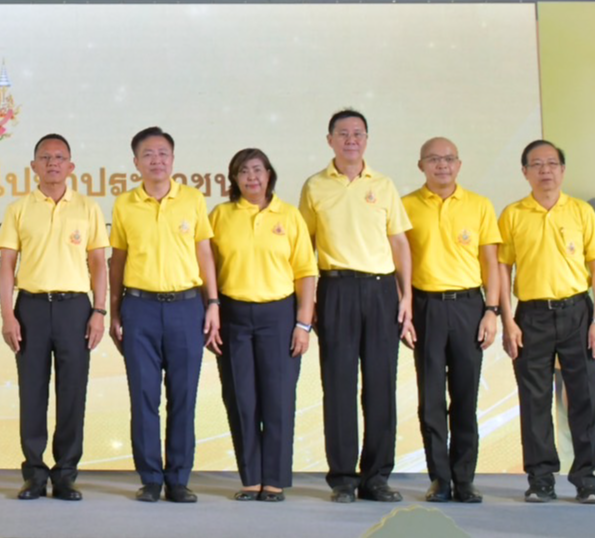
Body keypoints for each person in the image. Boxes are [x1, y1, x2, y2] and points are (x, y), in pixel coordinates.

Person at [297, 109, 413, 504]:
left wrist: (406, 295)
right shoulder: (314, 186)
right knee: (339, 385)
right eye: (343, 133)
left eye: (358, 133)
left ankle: (376, 477)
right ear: (329, 140)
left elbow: (399, 243)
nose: (351, 140)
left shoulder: (383, 185)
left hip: (381, 291)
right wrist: (307, 305)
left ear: (367, 139)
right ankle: (343, 478)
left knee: (381, 385)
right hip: (335, 290)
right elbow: (304, 250)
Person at [0, 133, 109, 502]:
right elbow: (7, 266)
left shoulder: (88, 208)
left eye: (60, 158)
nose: (53, 163)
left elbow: (98, 264)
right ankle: (33, 474)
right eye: (45, 157)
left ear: (71, 166)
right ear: (34, 166)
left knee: (72, 392)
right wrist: (7, 315)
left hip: (75, 308)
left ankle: (65, 474)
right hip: (30, 307)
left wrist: (98, 311)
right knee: (32, 392)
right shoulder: (19, 208)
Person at [109, 126, 218, 503]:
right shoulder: (125, 204)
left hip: (187, 306)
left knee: (184, 395)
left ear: (173, 158)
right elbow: (118, 259)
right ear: (136, 161)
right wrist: (114, 310)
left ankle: (179, 478)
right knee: (143, 395)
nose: (157, 160)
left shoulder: (192, 199)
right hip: (139, 307)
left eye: (163, 153)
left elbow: (205, 253)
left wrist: (213, 303)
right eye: (148, 154)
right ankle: (151, 478)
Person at [499, 139, 595, 504]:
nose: (545, 170)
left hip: (578, 312)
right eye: (536, 164)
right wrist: (507, 320)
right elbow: (503, 269)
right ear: (524, 172)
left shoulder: (581, 212)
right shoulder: (513, 214)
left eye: (552, 163)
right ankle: (541, 478)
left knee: (586, 398)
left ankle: (587, 479)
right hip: (530, 314)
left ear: (563, 170)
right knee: (534, 399)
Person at [207, 148, 315, 503]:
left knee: (279, 398)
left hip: (280, 316)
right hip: (234, 314)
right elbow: (208, 268)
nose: (251, 177)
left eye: (257, 170)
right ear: (234, 179)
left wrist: (304, 323)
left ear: (269, 174)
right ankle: (251, 478)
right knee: (242, 398)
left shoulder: (290, 216)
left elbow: (305, 273)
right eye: (243, 172)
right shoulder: (221, 215)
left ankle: (275, 480)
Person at [400, 137, 501, 504]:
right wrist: (405, 309)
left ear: (459, 164)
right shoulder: (406, 206)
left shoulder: (479, 205)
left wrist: (492, 311)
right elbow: (400, 264)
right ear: (421, 165)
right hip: (425, 307)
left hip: (469, 306)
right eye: (433, 159)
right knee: (430, 400)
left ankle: (465, 479)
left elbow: (491, 262)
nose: (441, 165)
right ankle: (439, 479)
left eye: (448, 159)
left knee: (465, 396)